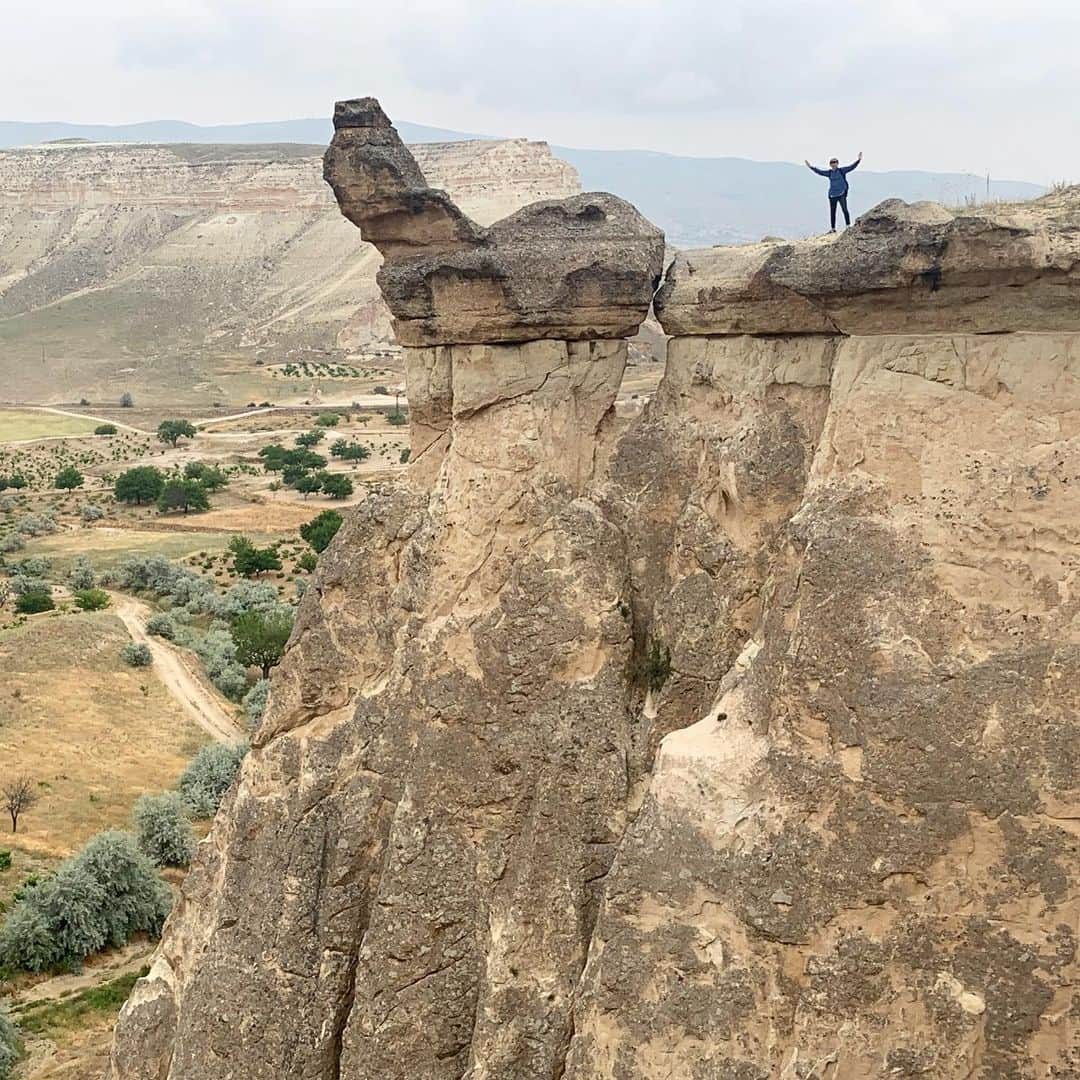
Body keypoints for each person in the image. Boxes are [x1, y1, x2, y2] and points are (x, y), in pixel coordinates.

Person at [805, 152, 862, 231]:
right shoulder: (829, 173)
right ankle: (833, 228)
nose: (833, 164)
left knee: (844, 209)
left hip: (841, 193)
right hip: (832, 195)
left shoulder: (842, 171)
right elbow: (820, 172)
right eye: (832, 163)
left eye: (835, 162)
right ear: (830, 165)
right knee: (833, 212)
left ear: (837, 163)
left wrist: (858, 160)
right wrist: (810, 167)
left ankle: (848, 225)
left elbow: (851, 167)